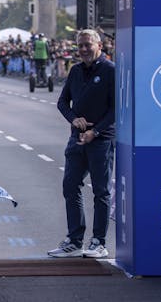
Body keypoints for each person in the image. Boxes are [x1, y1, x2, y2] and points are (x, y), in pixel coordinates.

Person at [48, 29, 115, 259]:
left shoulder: (110, 70)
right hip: (76, 139)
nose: (84, 49)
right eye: (80, 46)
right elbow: (62, 102)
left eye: (88, 45)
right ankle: (74, 240)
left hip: (101, 140)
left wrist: (95, 131)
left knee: (101, 191)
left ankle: (98, 242)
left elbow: (116, 109)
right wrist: (73, 118)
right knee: (70, 186)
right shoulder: (75, 70)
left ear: (99, 45)